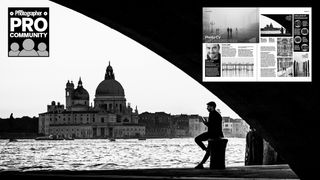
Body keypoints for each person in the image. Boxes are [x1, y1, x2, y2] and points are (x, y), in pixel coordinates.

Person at [194, 101, 224, 169]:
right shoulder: (213, 114)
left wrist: (205, 123)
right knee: (207, 149)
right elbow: (212, 125)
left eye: (208, 107)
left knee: (197, 139)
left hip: (214, 134)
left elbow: (213, 126)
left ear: (212, 107)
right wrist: (207, 123)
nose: (207, 108)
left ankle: (202, 162)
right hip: (212, 133)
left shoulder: (215, 115)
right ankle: (204, 155)